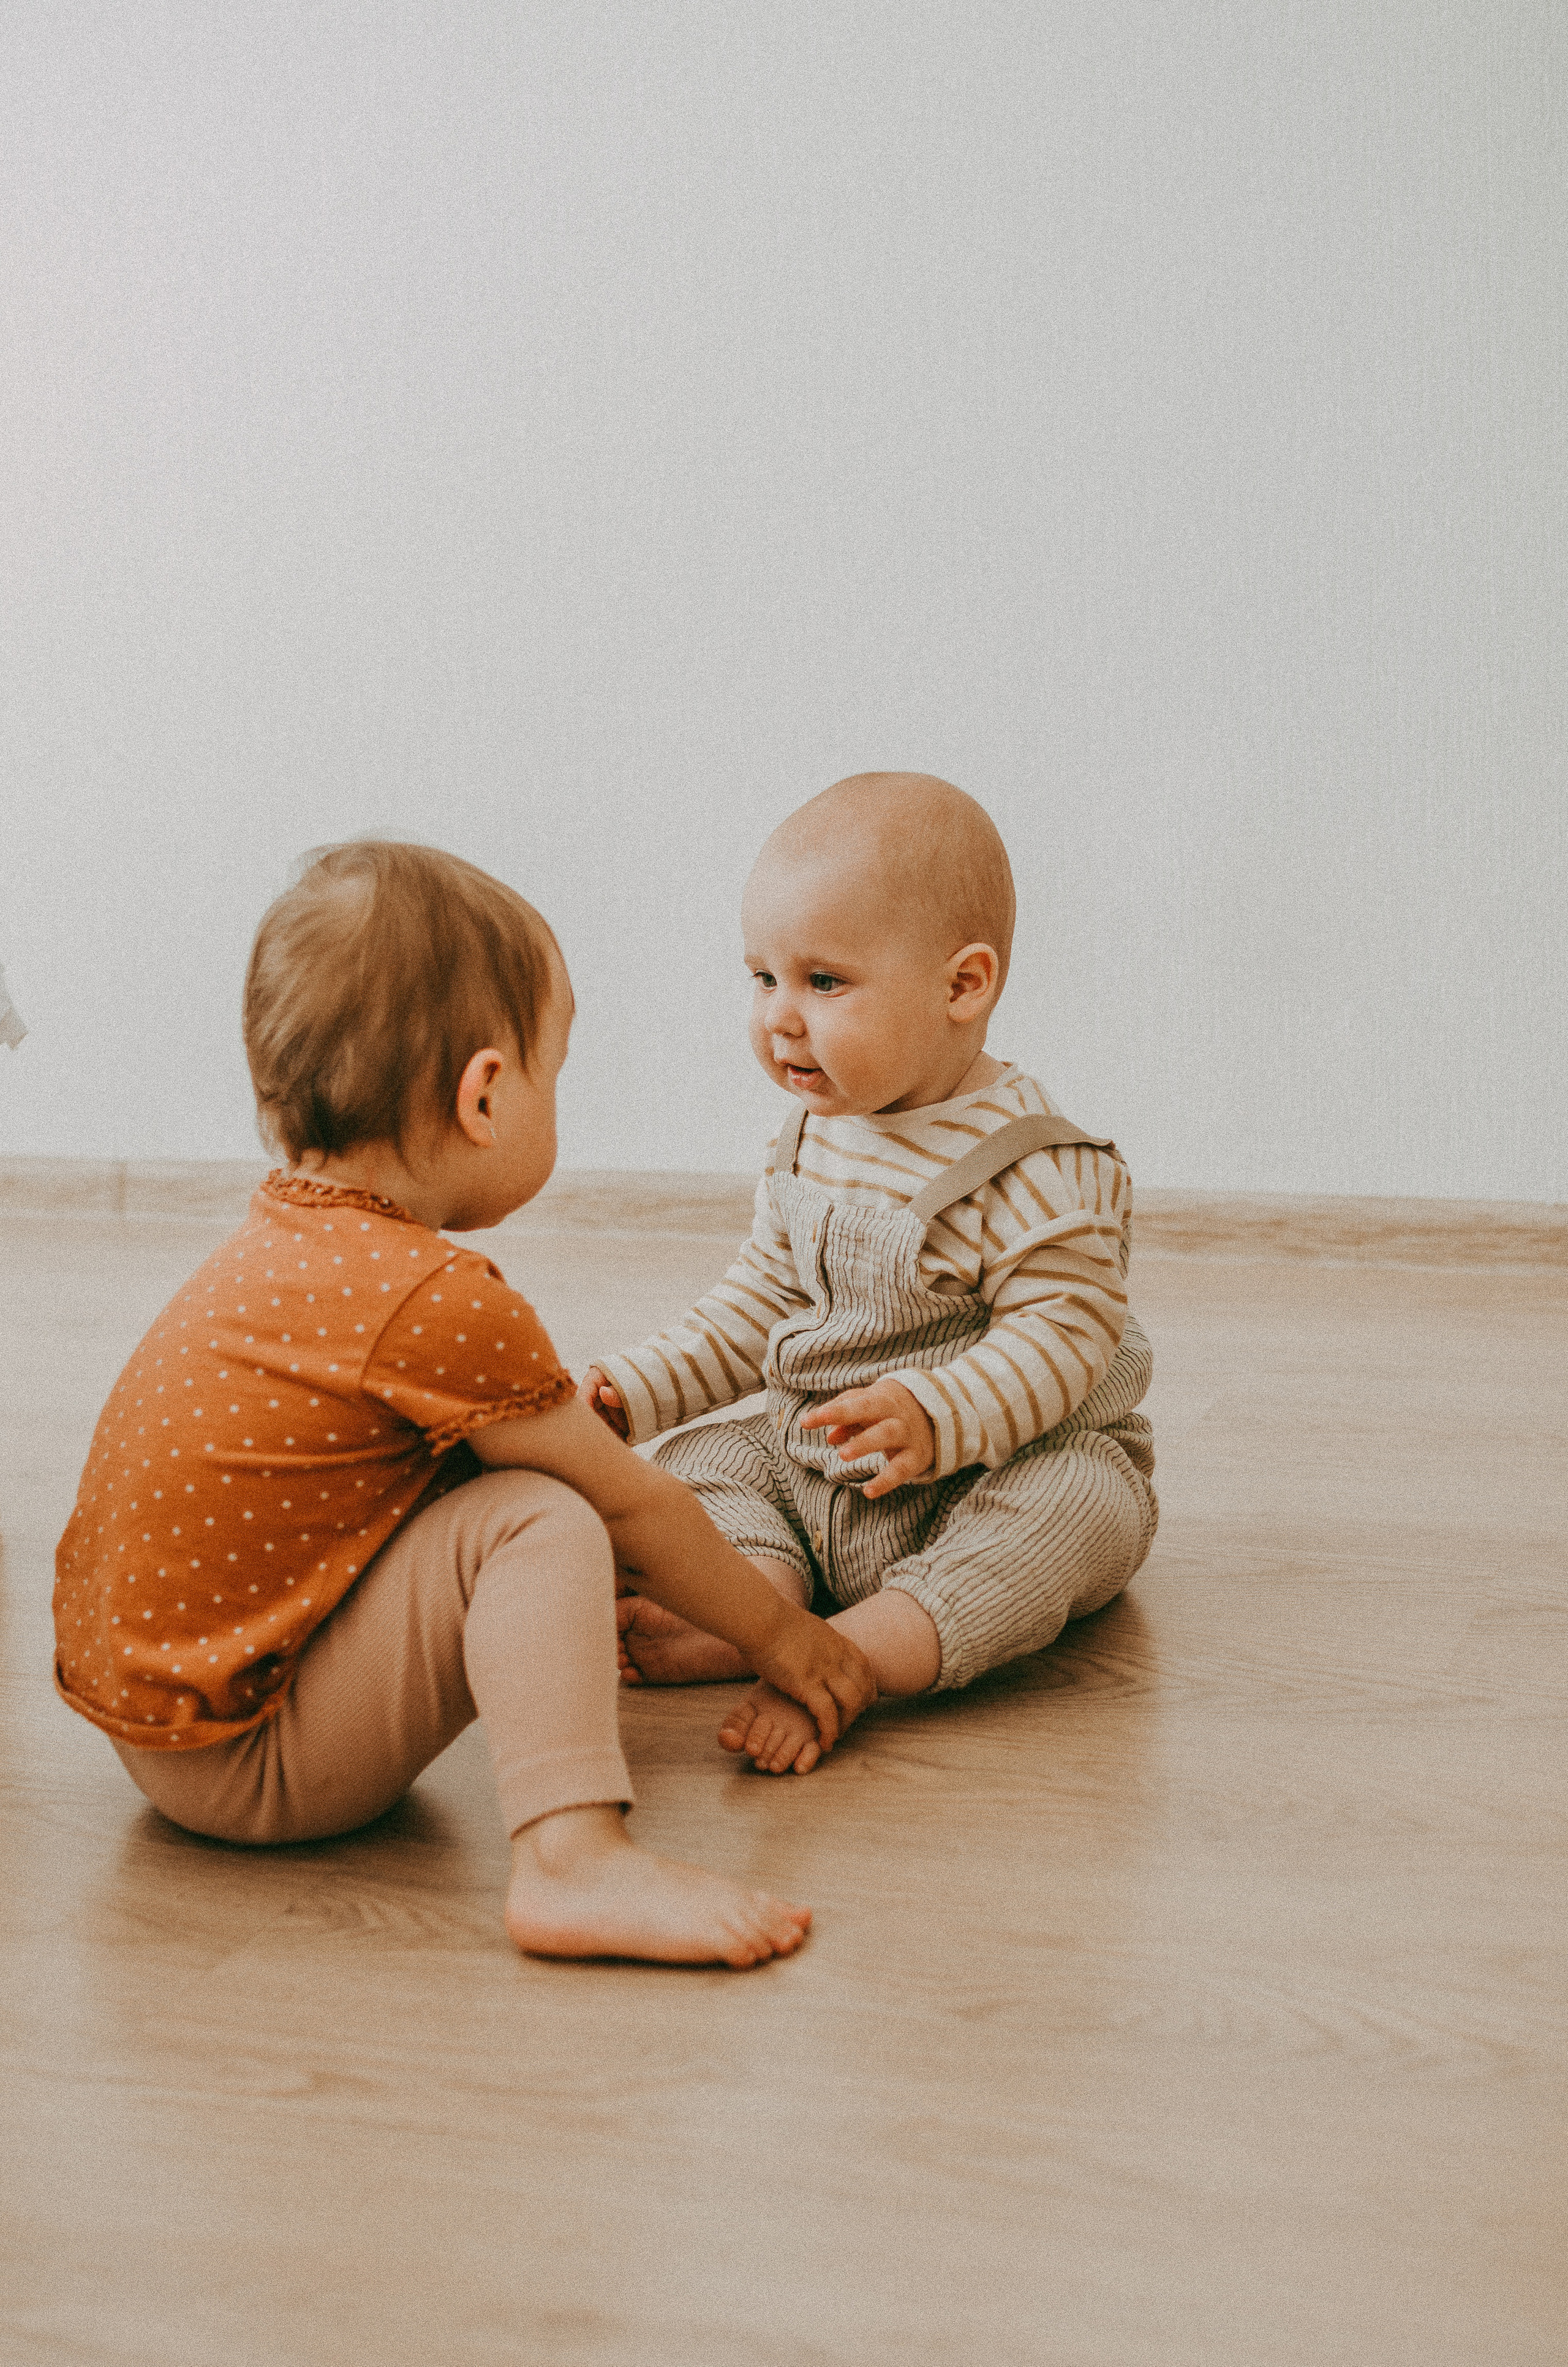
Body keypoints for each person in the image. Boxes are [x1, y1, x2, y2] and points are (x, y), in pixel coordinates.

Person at [51, 842, 876, 1968]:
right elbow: (632, 1506)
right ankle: (571, 1860)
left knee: (508, 1481)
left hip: (157, 1735)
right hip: (251, 1763)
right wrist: (787, 1635)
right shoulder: (434, 1298)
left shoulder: (283, 1243)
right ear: (485, 1095)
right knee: (547, 1518)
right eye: (558, 1072)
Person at [582, 772, 1158, 1775]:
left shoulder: (1042, 1165)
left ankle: (861, 1652)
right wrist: (631, 1392)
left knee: (1079, 1511)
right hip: (819, 1462)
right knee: (700, 1467)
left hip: (980, 1477)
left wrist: (937, 1414)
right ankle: (761, 1608)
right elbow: (756, 1305)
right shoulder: (814, 1138)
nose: (781, 1020)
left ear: (962, 986)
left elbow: (1066, 1340)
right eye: (763, 979)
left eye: (824, 982)